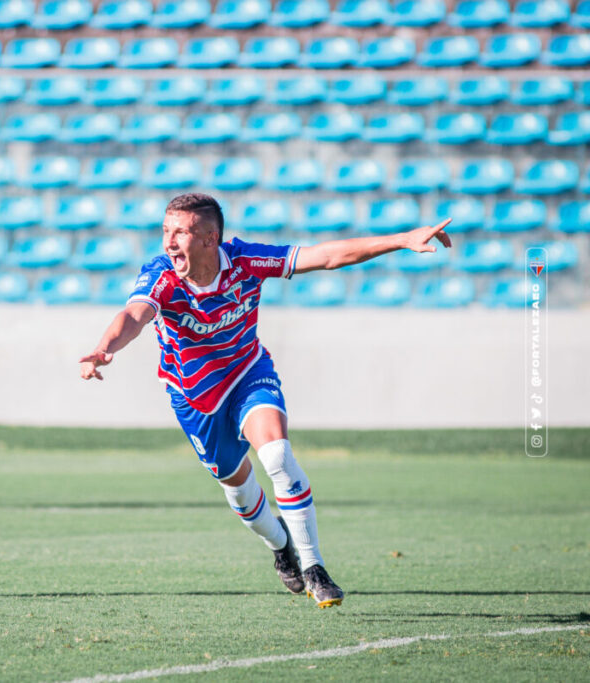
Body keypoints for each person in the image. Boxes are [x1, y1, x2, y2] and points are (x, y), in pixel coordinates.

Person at [79, 192, 451, 608]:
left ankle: (314, 567)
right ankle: (281, 546)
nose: (168, 242)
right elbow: (133, 315)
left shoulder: (244, 261)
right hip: (195, 397)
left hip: (247, 373)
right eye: (166, 231)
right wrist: (105, 346)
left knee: (275, 454)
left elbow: (325, 256)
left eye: (179, 232)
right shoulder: (161, 275)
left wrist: (401, 239)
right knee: (238, 488)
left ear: (209, 239)